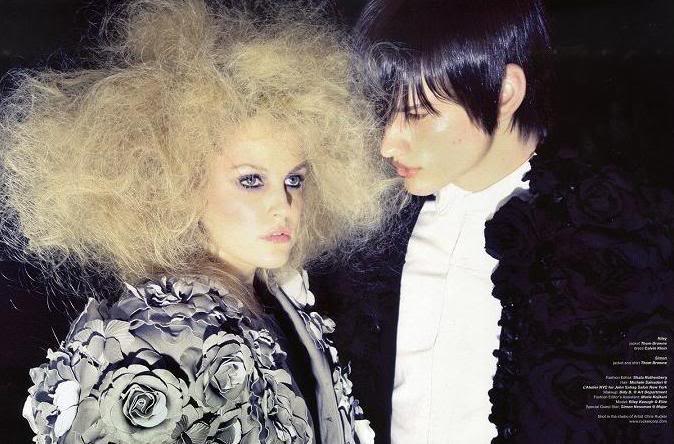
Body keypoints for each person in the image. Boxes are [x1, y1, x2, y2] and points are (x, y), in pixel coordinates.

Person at [0, 1, 392, 442]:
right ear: (184, 184)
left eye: (294, 179)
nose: (282, 205)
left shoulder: (279, 300)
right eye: (251, 180)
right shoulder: (161, 338)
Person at [310, 0, 673, 443]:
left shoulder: (620, 239)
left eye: (417, 114)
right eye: (383, 111)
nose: (387, 143)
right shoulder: (373, 224)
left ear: (504, 93)